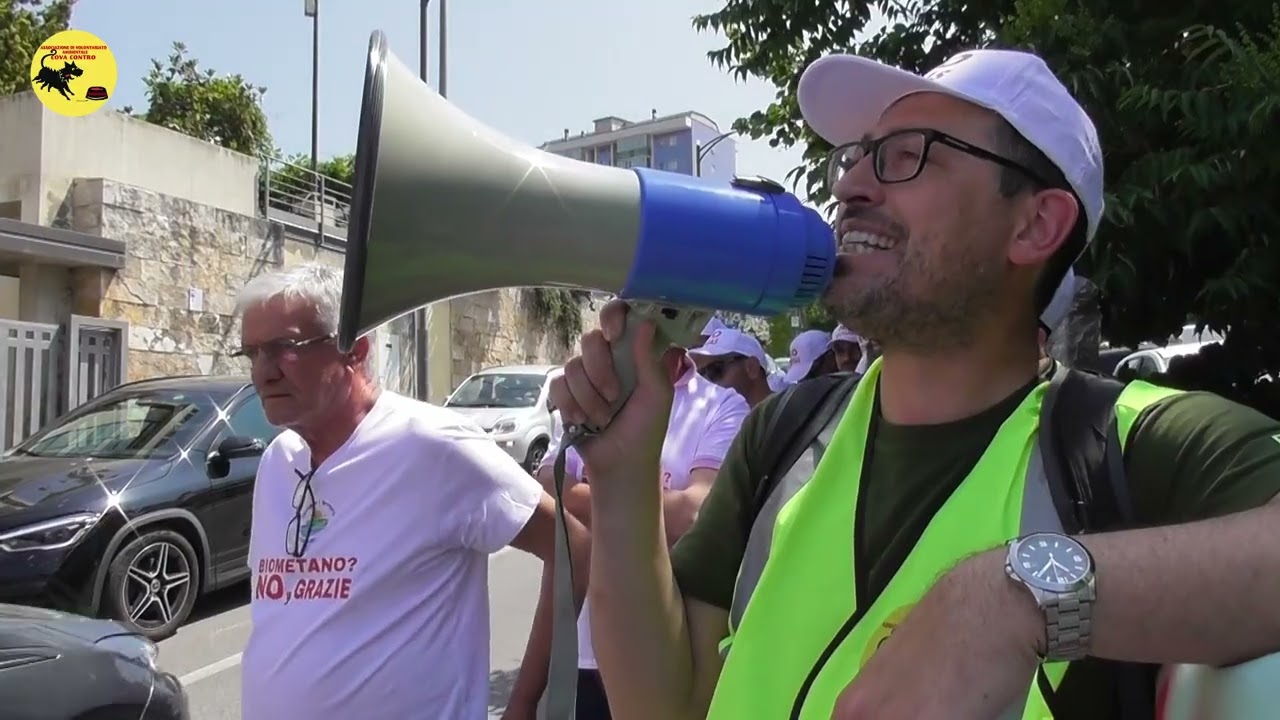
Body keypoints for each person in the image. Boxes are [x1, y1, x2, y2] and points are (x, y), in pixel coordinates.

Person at [546, 48, 1280, 720]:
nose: (850, 185)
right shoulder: (784, 434)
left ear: (1035, 225)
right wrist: (623, 477)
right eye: (858, 156)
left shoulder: (1133, 442)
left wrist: (1018, 598)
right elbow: (663, 705)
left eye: (907, 155)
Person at [233, 264, 588, 720]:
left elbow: (574, 548)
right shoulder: (278, 462)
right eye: (252, 353)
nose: (263, 373)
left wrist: (523, 704)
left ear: (355, 349)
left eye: (285, 348)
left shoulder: (433, 446)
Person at [509, 341, 750, 719]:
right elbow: (550, 489)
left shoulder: (720, 406)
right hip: (583, 648)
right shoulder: (594, 395)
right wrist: (641, 499)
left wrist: (596, 489)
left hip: (665, 650)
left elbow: (692, 515)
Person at [690, 327, 782, 407]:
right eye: (701, 374)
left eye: (715, 371)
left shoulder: (785, 413)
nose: (707, 383)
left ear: (752, 367)